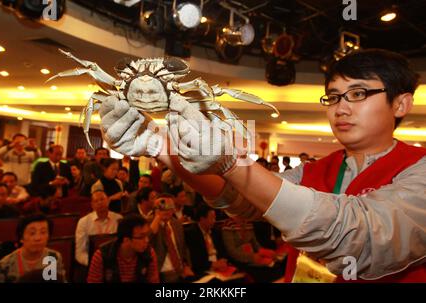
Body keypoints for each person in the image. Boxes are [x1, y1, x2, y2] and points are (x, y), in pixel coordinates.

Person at [98, 49, 426, 282]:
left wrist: (233, 163)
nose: (341, 108)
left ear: (401, 103)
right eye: (334, 96)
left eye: (357, 93)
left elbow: (366, 236)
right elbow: (245, 201)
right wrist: (160, 147)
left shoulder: (419, 169)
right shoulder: (315, 170)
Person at [0, 213, 66, 282]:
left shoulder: (52, 257)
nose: (38, 238)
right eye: (32, 233)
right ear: (21, 238)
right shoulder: (5, 265)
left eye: (43, 232)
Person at [87, 214, 159, 283]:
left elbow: (154, 280)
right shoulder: (102, 255)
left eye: (147, 235)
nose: (147, 240)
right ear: (126, 240)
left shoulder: (149, 253)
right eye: (141, 237)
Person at [149, 194, 194, 282]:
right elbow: (147, 243)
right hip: (162, 273)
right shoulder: (149, 224)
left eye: (170, 206)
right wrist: (157, 217)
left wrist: (186, 265)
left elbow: (183, 248)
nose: (166, 210)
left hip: (180, 271)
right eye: (162, 207)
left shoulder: (176, 224)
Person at [75, 190, 123, 267]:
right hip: (92, 264)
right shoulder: (83, 222)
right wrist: (94, 263)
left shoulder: (119, 219)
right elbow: (80, 252)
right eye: (96, 201)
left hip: (115, 264)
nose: (100, 203)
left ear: (108, 201)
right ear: (92, 205)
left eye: (102, 199)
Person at [184, 204, 230, 277]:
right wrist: (213, 264)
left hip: (219, 268)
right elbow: (195, 259)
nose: (214, 221)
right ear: (202, 219)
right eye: (211, 218)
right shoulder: (191, 233)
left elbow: (223, 250)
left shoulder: (216, 231)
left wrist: (223, 260)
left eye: (215, 218)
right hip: (203, 270)